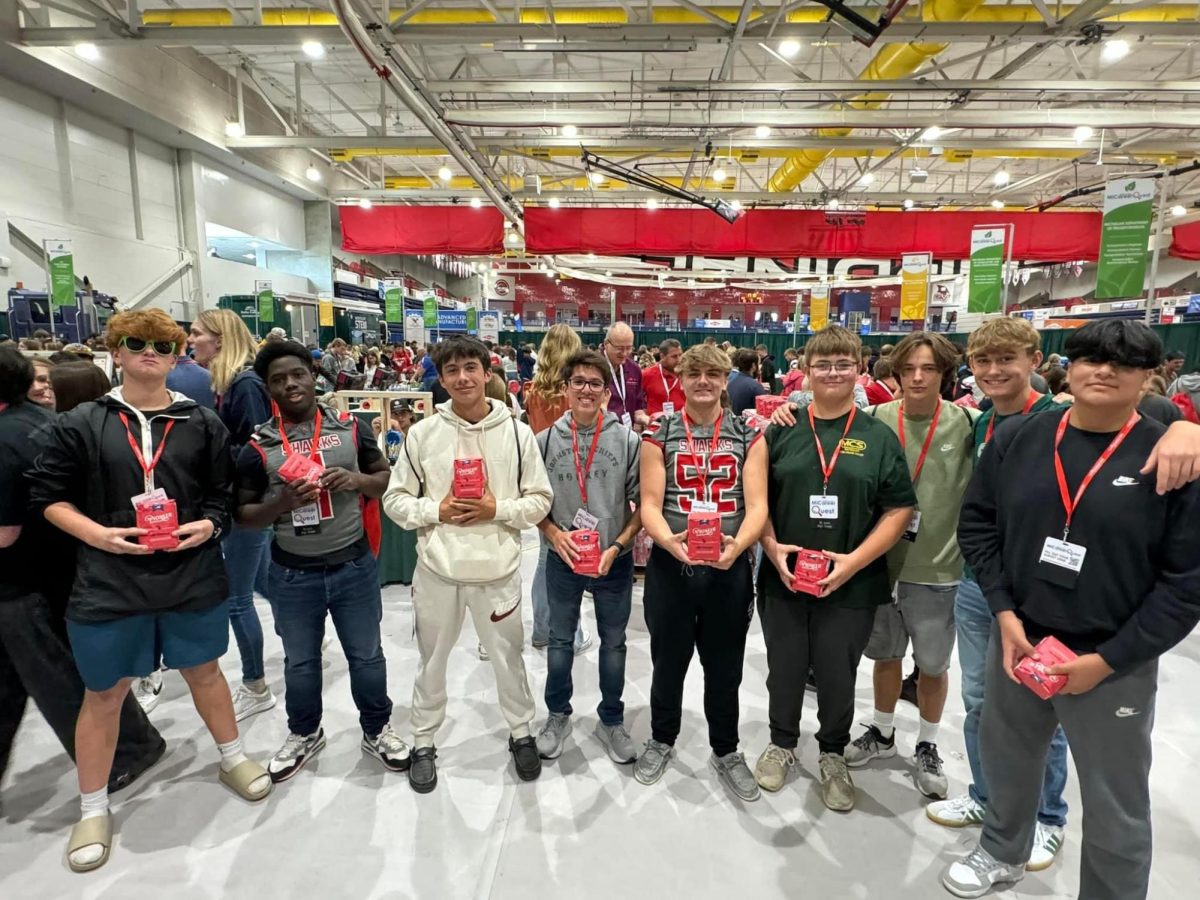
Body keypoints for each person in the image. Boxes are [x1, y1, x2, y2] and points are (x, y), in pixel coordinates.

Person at [928, 315, 1200, 872]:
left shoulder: (1172, 456)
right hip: (1022, 641)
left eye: (1123, 364)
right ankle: (1000, 852)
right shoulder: (1019, 438)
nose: (1104, 371)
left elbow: (1186, 583)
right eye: (1091, 359)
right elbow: (978, 525)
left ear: (1148, 377)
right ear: (1068, 369)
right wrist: (1004, 614)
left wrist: (1110, 660)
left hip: (1113, 658)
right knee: (1008, 764)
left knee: (1115, 803)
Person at [28, 310, 271, 874]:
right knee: (105, 692)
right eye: (135, 343)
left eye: (162, 345)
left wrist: (210, 525)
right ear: (115, 351)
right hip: (109, 581)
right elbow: (48, 497)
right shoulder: (82, 422)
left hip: (190, 574)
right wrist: (98, 535)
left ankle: (232, 757)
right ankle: (92, 807)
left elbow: (221, 494)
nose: (149, 352)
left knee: (206, 671)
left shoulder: (201, 421)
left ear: (177, 353)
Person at [755, 325, 915, 811]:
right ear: (805, 369)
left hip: (851, 583)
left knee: (836, 672)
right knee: (783, 669)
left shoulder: (877, 436)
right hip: (784, 579)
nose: (832, 372)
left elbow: (897, 510)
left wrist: (854, 562)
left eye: (843, 363)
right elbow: (756, 500)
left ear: (859, 369)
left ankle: (831, 752)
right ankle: (782, 743)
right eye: (822, 363)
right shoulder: (782, 429)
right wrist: (771, 545)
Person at [383, 334, 553, 793]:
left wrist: (496, 509)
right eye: (452, 370)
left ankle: (521, 734)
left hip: (496, 572)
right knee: (431, 661)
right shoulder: (422, 435)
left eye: (470, 368)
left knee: (507, 660)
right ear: (441, 379)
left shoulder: (517, 434)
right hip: (438, 571)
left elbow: (540, 500)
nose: (462, 378)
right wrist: (434, 510)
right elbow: (395, 500)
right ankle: (423, 741)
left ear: (487, 372)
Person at [236, 341, 407, 783]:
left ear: (314, 375)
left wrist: (356, 479)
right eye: (278, 379)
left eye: (297, 374)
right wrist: (281, 502)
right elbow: (245, 516)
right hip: (292, 574)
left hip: (353, 566)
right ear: (269, 388)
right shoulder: (258, 445)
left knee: (367, 656)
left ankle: (377, 728)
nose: (290, 384)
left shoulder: (351, 428)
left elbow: (386, 480)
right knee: (300, 662)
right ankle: (304, 732)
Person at [0, 349, 165, 799]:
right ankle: (131, 748)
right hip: (60, 570)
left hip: (29, 582)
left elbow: (7, 532)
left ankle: (127, 753)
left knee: (64, 681)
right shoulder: (42, 424)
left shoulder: (15, 432)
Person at [841, 333, 978, 801]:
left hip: (936, 569)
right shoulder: (873, 420)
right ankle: (881, 732)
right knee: (885, 656)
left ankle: (927, 744)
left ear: (945, 374)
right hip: (880, 565)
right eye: (910, 369)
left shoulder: (968, 424)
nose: (918, 377)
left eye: (930, 369)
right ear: (895, 374)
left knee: (933, 666)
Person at [635, 343, 768, 801]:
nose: (704, 382)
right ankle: (662, 738)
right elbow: (650, 502)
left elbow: (758, 505)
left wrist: (740, 546)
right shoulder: (661, 432)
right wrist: (667, 541)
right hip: (672, 565)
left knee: (725, 667)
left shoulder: (748, 433)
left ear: (726, 377)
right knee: (666, 662)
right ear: (682, 378)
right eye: (695, 374)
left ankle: (726, 749)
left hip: (728, 566)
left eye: (714, 373)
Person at [532, 350, 643, 765]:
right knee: (560, 641)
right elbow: (533, 502)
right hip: (563, 559)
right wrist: (554, 534)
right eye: (578, 381)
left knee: (614, 643)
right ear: (565, 389)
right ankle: (557, 715)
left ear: (605, 392)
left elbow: (641, 506)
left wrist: (617, 547)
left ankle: (611, 719)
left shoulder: (626, 440)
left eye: (595, 383)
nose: (586, 390)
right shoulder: (544, 441)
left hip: (612, 562)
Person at [188, 309, 277, 722]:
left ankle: (256, 685)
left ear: (219, 339)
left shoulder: (244, 384)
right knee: (263, 583)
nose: (190, 341)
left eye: (196, 334)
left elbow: (260, 445)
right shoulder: (227, 384)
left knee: (236, 599)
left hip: (245, 506)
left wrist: (211, 453)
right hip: (239, 502)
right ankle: (300, 644)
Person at [522, 323, 589, 653]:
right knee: (570, 561)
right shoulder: (573, 392)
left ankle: (541, 630)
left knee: (546, 557)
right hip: (571, 477)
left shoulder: (532, 390)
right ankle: (570, 635)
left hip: (540, 475)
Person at [601, 322, 649, 429]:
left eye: (629, 348)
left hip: (627, 434)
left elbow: (638, 407)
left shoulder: (634, 369)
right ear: (606, 344)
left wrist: (646, 419)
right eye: (620, 348)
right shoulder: (593, 368)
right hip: (602, 432)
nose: (625, 353)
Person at [641, 339, 685, 417]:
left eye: (680, 355)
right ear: (662, 356)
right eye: (674, 356)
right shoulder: (647, 375)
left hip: (682, 425)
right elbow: (636, 399)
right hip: (656, 426)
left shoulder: (687, 374)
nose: (679, 359)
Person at [728, 348, 768, 414]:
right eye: (758, 364)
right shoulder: (755, 387)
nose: (760, 367)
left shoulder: (731, 382)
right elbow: (763, 412)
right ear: (753, 366)